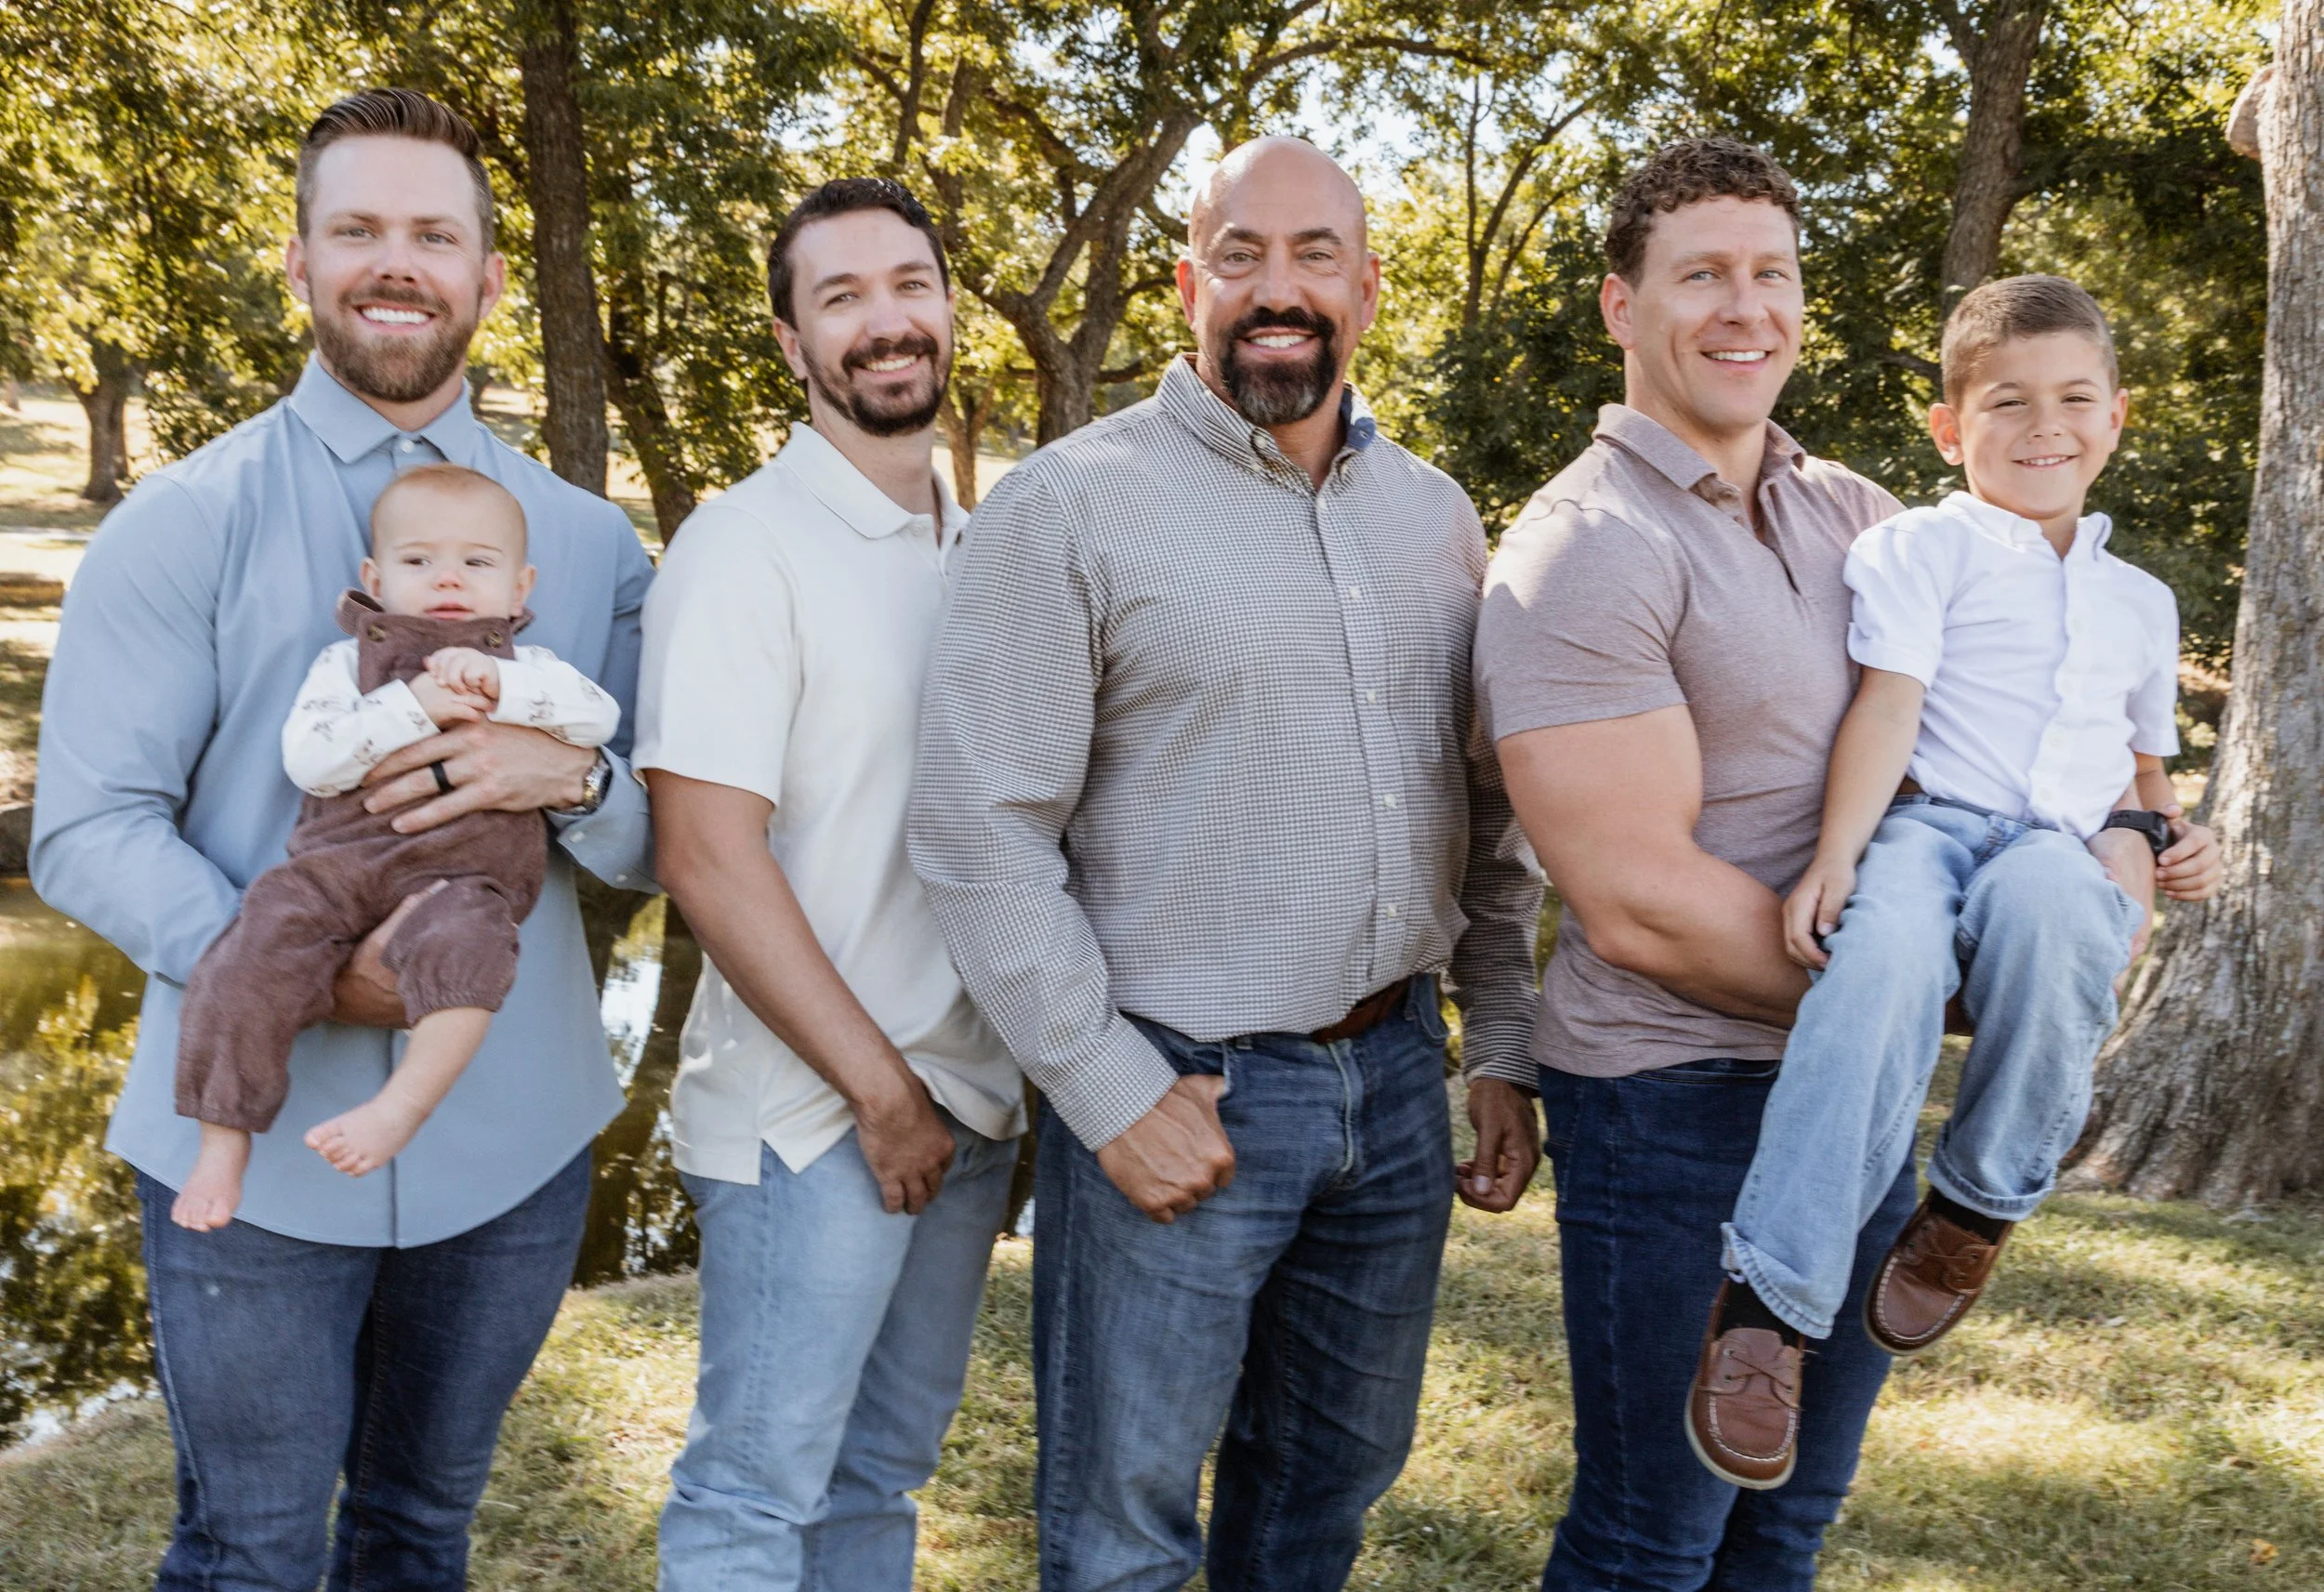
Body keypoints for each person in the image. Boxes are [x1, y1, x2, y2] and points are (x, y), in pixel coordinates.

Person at [1474, 140, 2222, 1589]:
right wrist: (1922, 989)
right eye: (1703, 275)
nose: (1745, 308)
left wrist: (2127, 841)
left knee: (1786, 1525)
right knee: (1655, 1536)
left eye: (1773, 273)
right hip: (1673, 1093)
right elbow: (1635, 905)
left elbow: (2025, 752)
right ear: (1623, 307)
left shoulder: (1870, 519)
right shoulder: (1584, 548)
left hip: (1859, 1086)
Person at [31, 88, 654, 1590]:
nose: (399, 262)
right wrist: (300, 970)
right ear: (300, 262)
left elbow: (651, 846)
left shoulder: (587, 543)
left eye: (434, 234)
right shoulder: (178, 523)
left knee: (420, 1534)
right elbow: (85, 829)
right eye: (359, 229)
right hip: (238, 1158)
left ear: (489, 276)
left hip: (512, 1147)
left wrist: (566, 778)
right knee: (247, 1549)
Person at [909, 137, 1541, 1592]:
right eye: (1242, 255)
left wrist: (1499, 1042)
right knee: (1124, 1532)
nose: (1279, 288)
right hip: (1176, 1086)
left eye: (1315, 254)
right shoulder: (1069, 505)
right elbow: (977, 829)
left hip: (1390, 1088)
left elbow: (1488, 813)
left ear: (1369, 289)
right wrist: (1111, 1092)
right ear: (1189, 283)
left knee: (1323, 1498)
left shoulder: (1436, 518)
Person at [1693, 275, 2218, 1487]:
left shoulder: (2141, 603)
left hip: (2057, 844)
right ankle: (1770, 1297)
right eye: (2009, 402)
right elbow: (1889, 705)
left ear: (2118, 415)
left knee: (2055, 910)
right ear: (1950, 428)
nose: (2047, 425)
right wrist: (1837, 854)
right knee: (1874, 974)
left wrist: (2172, 834)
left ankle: (1977, 1203)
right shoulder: (1918, 548)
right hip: (1927, 829)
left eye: (2076, 398)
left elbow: (2143, 762)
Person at [639, 178, 1026, 1592]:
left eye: (908, 285)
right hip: (822, 1120)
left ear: (946, 307)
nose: (885, 323)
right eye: (840, 298)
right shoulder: (747, 546)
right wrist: (882, 1092)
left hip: (969, 1101)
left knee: (880, 1478)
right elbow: (702, 853)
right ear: (794, 345)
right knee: (755, 1496)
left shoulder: (983, 547)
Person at [171, 463, 622, 1231]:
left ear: (520, 589)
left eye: (478, 563)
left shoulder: (534, 670)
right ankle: (222, 1139)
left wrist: (498, 688)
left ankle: (401, 1106)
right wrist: (410, 705)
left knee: (469, 952)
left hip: (464, 878)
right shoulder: (344, 666)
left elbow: (597, 720)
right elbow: (311, 759)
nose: (448, 579)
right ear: (375, 579)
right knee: (247, 955)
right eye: (419, 562)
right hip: (333, 868)